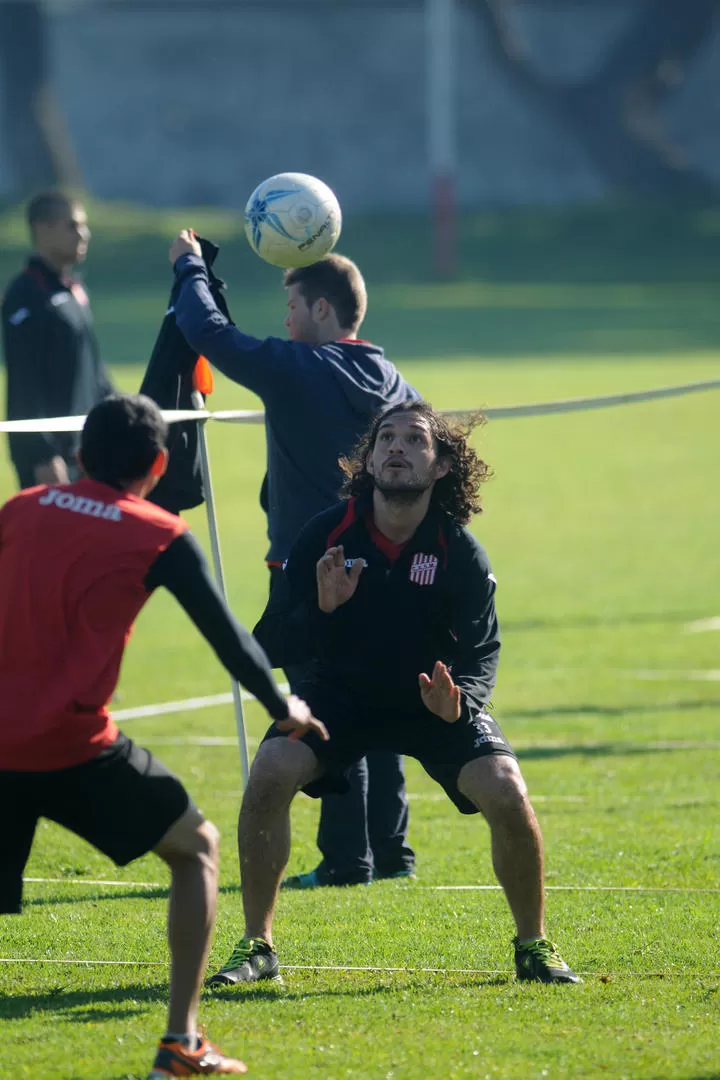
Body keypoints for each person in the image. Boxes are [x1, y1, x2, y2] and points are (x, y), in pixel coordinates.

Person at [0, 393, 327, 1078]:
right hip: (72, 747)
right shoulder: (158, 533)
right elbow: (230, 639)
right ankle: (181, 1043)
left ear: (82, 455)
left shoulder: (21, 507)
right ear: (157, 464)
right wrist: (284, 703)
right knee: (197, 848)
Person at [206, 400, 580, 987]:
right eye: (386, 439)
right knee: (271, 770)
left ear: (439, 467)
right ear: (370, 459)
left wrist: (463, 702)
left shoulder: (460, 552)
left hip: (431, 701)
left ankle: (533, 946)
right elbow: (269, 641)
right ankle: (258, 946)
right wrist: (322, 610)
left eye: (414, 440)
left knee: (507, 790)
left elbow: (482, 651)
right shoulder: (323, 534)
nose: (397, 448)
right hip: (337, 699)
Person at [167, 232, 419, 888]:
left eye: (294, 306)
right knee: (383, 700)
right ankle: (391, 852)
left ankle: (344, 860)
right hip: (383, 565)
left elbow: (208, 331)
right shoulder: (392, 379)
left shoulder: (299, 367)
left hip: (317, 573)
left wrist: (189, 265)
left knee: (326, 704)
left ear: (325, 313)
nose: (285, 321)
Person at [2, 191, 114, 489]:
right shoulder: (26, 296)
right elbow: (23, 383)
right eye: (73, 226)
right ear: (42, 228)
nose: (84, 234)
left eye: (84, 226)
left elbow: (95, 373)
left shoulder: (74, 292)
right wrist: (41, 454)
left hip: (89, 453)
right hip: (53, 462)